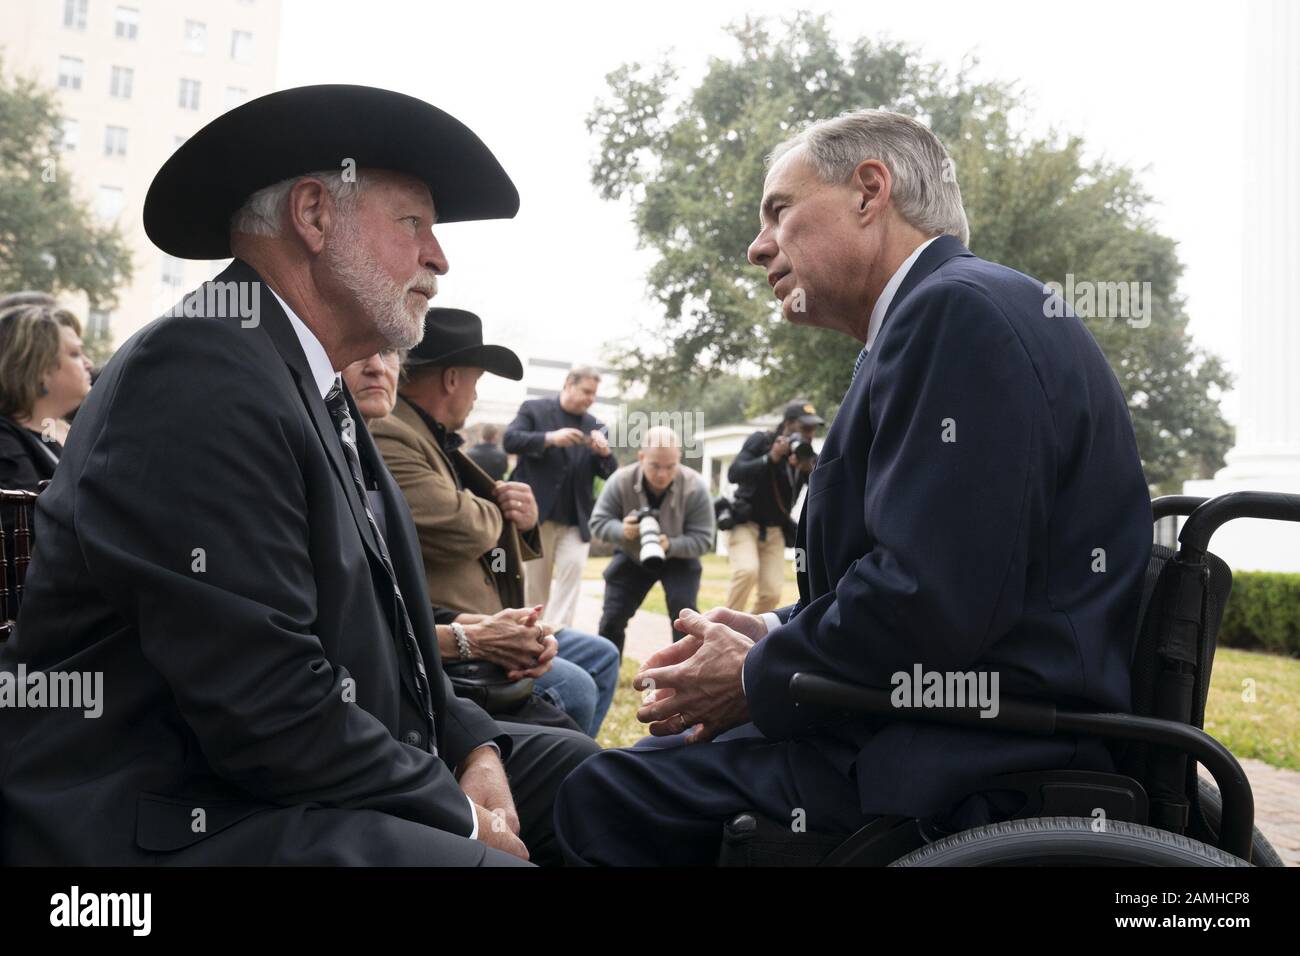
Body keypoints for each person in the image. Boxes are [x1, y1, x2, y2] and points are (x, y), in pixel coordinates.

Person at [0, 84, 598, 867]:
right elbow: (265, 707)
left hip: (307, 768)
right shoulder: (199, 368)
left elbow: (390, 640)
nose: (439, 258)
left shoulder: (313, 386)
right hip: (175, 809)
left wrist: (473, 746)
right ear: (314, 215)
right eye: (414, 223)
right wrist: (461, 818)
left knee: (602, 790)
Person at [554, 108, 1152, 865]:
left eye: (779, 210)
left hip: (973, 755)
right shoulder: (938, 316)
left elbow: (931, 598)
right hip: (945, 722)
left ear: (871, 191)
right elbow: (923, 574)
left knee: (601, 794)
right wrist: (769, 634)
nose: (756, 245)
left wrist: (754, 676)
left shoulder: (954, 313)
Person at [354, 309, 619, 737]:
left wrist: (521, 521)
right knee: (578, 688)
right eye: (477, 382)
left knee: (602, 655)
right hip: (454, 625)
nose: (476, 397)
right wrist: (500, 511)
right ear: (452, 379)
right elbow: (461, 526)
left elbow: (486, 543)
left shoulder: (429, 435)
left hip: (488, 614)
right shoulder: (391, 432)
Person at [504, 366, 618, 628]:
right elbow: (510, 440)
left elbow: (610, 472)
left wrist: (605, 454)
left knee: (572, 574)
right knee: (535, 582)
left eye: (594, 394)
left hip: (575, 520)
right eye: (586, 391)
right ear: (569, 383)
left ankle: (558, 636)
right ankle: (528, 632)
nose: (591, 398)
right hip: (536, 516)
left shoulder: (597, 426)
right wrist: (549, 439)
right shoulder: (534, 409)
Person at [589, 425, 715, 655]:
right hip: (632, 555)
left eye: (670, 467)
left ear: (679, 458)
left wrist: (671, 545)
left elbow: (704, 539)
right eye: (655, 465)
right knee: (612, 618)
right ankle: (604, 675)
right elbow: (597, 523)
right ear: (641, 457)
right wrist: (621, 530)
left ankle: (686, 677)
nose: (662, 474)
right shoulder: (620, 480)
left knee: (686, 620)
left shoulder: (696, 486)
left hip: (679, 558)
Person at [724, 399, 823, 613]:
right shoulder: (762, 441)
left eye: (813, 429)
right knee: (746, 571)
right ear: (788, 424)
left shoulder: (806, 455)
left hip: (776, 530)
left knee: (772, 593)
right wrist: (771, 457)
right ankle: (720, 627)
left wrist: (809, 470)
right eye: (805, 427)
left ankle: (749, 639)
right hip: (744, 524)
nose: (809, 434)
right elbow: (734, 473)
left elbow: (822, 493)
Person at [0, 292, 93, 491]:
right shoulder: (5, 440)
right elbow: (24, 517)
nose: (89, 364)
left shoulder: (70, 430)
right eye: (75, 354)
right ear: (40, 367)